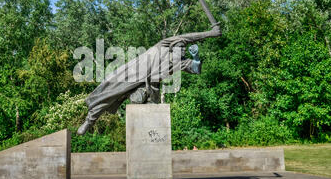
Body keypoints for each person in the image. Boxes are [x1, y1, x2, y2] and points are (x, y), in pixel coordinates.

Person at [77, 25, 222, 135]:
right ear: (173, 47)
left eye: (184, 51)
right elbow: (189, 37)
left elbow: (196, 68)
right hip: (133, 72)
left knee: (140, 100)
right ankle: (89, 121)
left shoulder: (180, 63)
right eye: (180, 49)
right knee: (108, 90)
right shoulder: (164, 45)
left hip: (150, 89)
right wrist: (210, 33)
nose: (182, 52)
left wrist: (196, 57)